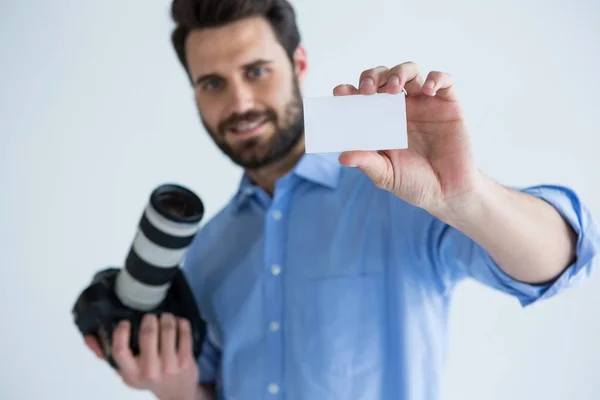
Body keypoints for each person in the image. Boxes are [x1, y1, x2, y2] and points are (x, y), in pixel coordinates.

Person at [84, 0, 599, 399]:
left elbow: (560, 262)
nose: (238, 102)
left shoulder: (398, 196)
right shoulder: (205, 250)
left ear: (299, 62)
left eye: (256, 71)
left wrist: (464, 196)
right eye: (213, 83)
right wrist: (175, 391)